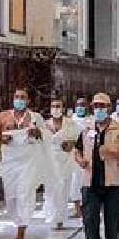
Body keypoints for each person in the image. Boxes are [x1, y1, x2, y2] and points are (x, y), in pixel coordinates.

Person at [0, 89, 56, 239]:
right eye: (17, 97)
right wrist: (2, 138)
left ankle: (21, 231)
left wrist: (38, 132)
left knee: (25, 192)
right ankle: (17, 220)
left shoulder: (35, 117)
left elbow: (47, 136)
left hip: (29, 162)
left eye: (23, 97)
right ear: (13, 99)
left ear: (28, 101)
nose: (19, 99)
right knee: (12, 196)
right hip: (10, 162)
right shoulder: (3, 116)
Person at [75, 93, 119, 239]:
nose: (98, 110)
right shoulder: (86, 129)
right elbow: (77, 149)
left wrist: (110, 153)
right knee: (89, 220)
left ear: (109, 108)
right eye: (96, 106)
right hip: (90, 182)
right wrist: (80, 160)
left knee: (111, 222)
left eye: (102, 106)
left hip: (113, 183)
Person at [42, 97, 81, 230]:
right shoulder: (44, 124)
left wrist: (70, 144)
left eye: (58, 106)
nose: (56, 109)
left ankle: (60, 220)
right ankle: (51, 217)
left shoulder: (71, 124)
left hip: (65, 161)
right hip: (50, 161)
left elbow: (76, 140)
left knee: (63, 190)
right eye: (53, 106)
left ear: (63, 108)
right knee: (51, 191)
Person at [69, 97, 92, 218]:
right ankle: (77, 209)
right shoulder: (70, 120)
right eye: (78, 105)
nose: (80, 107)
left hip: (88, 155)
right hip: (73, 155)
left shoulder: (92, 120)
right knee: (74, 183)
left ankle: (89, 208)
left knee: (88, 183)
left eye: (83, 105)